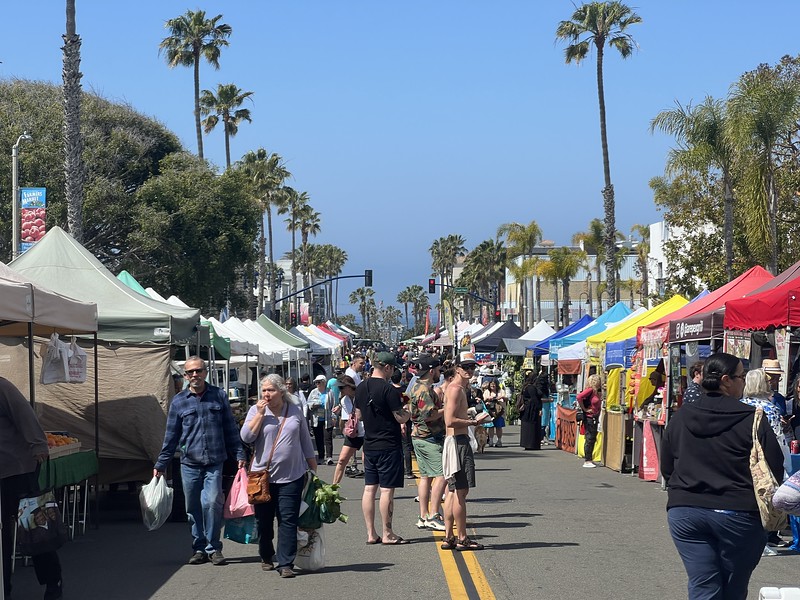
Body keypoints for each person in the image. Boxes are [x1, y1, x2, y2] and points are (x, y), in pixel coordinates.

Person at [660, 352, 784, 600]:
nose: (743, 382)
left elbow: (667, 467)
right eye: (741, 377)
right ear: (726, 380)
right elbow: (774, 466)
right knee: (734, 585)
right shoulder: (752, 418)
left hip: (686, 512)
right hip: (738, 513)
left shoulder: (681, 416)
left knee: (703, 583)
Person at [154, 357, 246, 566]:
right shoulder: (179, 401)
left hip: (215, 460)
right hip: (189, 463)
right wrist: (161, 464)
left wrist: (240, 454)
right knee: (193, 507)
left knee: (212, 502)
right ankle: (199, 547)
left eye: (198, 371)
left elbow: (231, 429)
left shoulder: (219, 396)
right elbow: (171, 436)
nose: (194, 375)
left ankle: (213, 547)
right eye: (190, 372)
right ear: (185, 376)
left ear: (205, 372)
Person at [240, 374, 317, 578]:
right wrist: (259, 414)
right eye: (264, 390)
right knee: (264, 522)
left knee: (288, 520)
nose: (267, 394)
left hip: (292, 475)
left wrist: (312, 465)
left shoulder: (295, 411)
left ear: (281, 391)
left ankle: (286, 563)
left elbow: (305, 439)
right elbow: (246, 437)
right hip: (262, 477)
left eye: (271, 390)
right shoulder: (255, 411)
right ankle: (266, 555)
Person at [1, 378, 62, 600]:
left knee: (34, 527)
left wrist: (38, 445)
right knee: (1, 536)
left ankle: (53, 580)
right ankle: (3, 587)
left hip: (18, 469)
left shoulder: (3, 387)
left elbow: (25, 414)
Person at [354, 351, 411, 545]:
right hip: (388, 444)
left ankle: (371, 533)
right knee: (387, 491)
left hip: (369, 444)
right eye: (393, 368)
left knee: (369, 489)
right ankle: (388, 533)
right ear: (387, 368)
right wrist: (408, 413)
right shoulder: (388, 390)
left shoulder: (361, 387)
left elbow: (359, 415)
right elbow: (399, 417)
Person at [440, 352, 492, 551]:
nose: (470, 370)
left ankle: (449, 536)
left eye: (473, 367)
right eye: (466, 367)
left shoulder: (458, 388)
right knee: (460, 492)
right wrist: (473, 421)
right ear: (457, 368)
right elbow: (449, 420)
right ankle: (462, 538)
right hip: (457, 442)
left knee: (453, 491)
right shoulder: (455, 389)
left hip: (455, 441)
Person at [741, 368, 791, 553]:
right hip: (766, 459)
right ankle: (763, 541)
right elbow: (778, 438)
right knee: (766, 499)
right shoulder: (769, 408)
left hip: (746, 457)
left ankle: (750, 540)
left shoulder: (741, 404)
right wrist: (784, 463)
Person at [409, 355, 447, 532]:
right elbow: (429, 415)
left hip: (419, 436)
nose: (440, 373)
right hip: (428, 436)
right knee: (442, 474)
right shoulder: (424, 389)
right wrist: (447, 409)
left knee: (425, 477)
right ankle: (433, 515)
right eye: (439, 370)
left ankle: (423, 515)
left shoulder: (415, 386)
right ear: (431, 371)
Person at [332, 375, 364, 484]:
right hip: (354, 433)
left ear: (349, 387)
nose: (340, 390)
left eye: (342, 388)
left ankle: (371, 489)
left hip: (367, 431)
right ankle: (333, 488)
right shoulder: (344, 401)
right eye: (339, 388)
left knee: (367, 462)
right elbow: (348, 419)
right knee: (341, 460)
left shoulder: (362, 395)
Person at [306, 374, 334, 464]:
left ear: (324, 383)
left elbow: (333, 405)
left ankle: (329, 457)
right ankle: (321, 457)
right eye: (316, 382)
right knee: (319, 438)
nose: (317, 384)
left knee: (328, 438)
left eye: (319, 382)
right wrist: (313, 405)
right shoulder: (313, 392)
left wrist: (334, 416)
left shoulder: (329, 392)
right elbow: (308, 404)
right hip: (316, 419)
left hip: (327, 418)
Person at [577, 374, 602, 468]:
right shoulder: (590, 390)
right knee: (590, 437)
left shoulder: (596, 392)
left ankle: (589, 458)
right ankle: (587, 460)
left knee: (592, 437)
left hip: (594, 416)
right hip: (589, 416)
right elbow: (579, 397)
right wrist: (585, 409)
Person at [518, 371, 544, 451]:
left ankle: (528, 443)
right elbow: (534, 399)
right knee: (532, 427)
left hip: (527, 409)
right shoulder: (531, 388)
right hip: (531, 409)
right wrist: (539, 408)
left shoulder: (526, 386)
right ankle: (532, 444)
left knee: (527, 427)